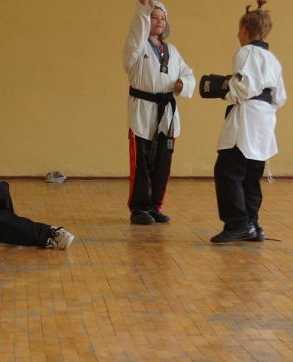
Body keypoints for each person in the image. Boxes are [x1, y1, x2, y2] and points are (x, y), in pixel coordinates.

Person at [211, 0, 286, 243]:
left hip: (246, 120)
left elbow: (244, 87)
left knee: (228, 171)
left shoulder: (245, 52)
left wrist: (225, 89)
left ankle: (237, 224)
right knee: (251, 176)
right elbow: (280, 97)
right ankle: (252, 224)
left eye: (239, 30)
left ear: (244, 30)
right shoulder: (272, 59)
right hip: (264, 121)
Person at [123, 0, 195, 225]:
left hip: (167, 112)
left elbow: (188, 73)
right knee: (141, 163)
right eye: (153, 17)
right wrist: (142, 10)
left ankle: (155, 206)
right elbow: (136, 33)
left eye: (162, 18)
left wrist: (184, 83)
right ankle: (139, 208)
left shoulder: (172, 51)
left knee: (163, 161)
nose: (158, 21)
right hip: (143, 110)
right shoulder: (137, 48)